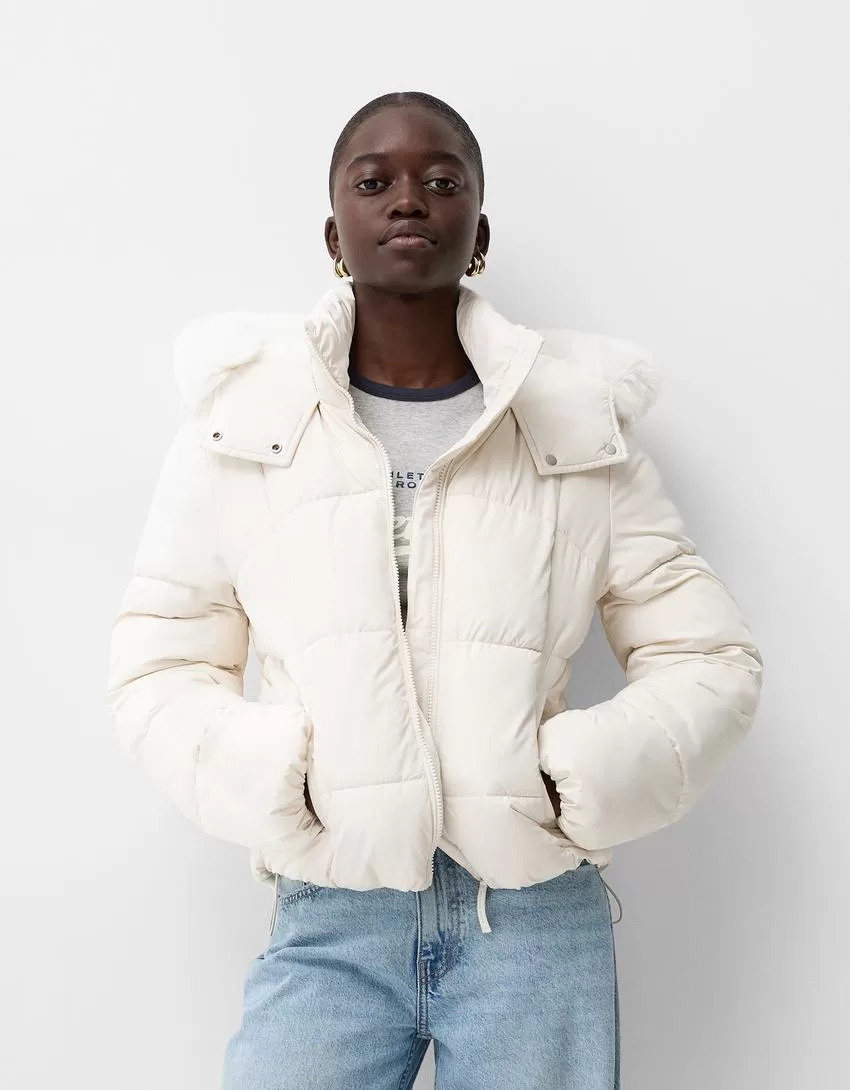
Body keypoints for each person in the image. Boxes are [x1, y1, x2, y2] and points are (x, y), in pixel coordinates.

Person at [105, 91, 764, 1090]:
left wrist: (577, 776)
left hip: (532, 916)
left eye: (442, 180)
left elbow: (708, 658)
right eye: (375, 181)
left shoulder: (577, 427)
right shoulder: (243, 425)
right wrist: (280, 776)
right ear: (335, 234)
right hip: (332, 909)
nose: (408, 199)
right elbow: (158, 663)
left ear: (479, 233)